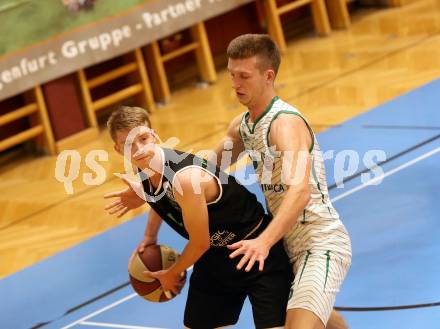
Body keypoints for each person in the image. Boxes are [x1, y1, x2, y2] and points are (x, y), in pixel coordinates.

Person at [105, 106, 292, 329]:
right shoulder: (145, 167)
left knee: (307, 319)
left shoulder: (185, 178)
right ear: (118, 150)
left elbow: (199, 243)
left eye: (143, 138)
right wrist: (148, 236)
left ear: (154, 135)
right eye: (128, 145)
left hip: (256, 250)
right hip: (216, 258)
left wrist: (171, 273)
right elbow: (161, 199)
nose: (138, 149)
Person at [211, 34, 353, 329]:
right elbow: (205, 169)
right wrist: (154, 179)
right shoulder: (242, 126)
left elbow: (299, 192)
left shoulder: (284, 124)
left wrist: (264, 241)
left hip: (320, 243)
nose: (236, 84)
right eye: (232, 75)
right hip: (287, 245)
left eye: (244, 76)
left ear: (268, 76)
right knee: (326, 322)